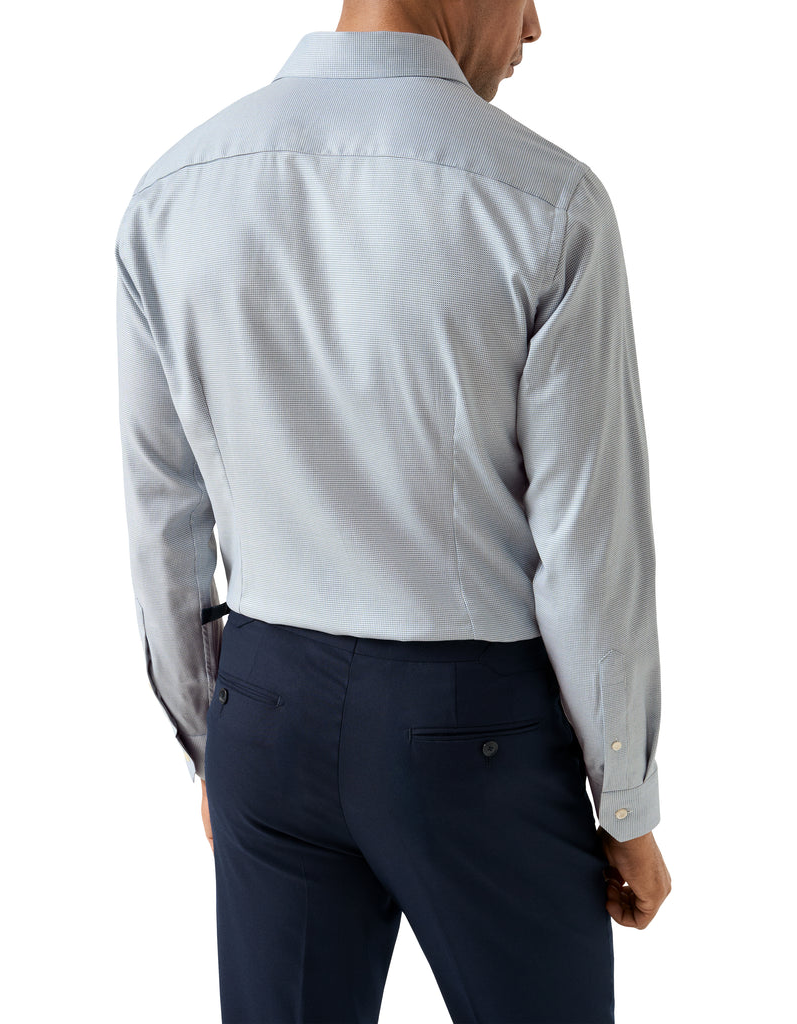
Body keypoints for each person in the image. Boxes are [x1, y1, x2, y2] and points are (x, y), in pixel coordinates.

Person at [115, 1, 672, 1020]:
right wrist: (626, 799)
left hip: (264, 714)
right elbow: (589, 549)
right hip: (473, 729)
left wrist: (214, 743)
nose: (534, 28)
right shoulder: (544, 200)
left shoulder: (172, 190)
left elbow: (163, 516)